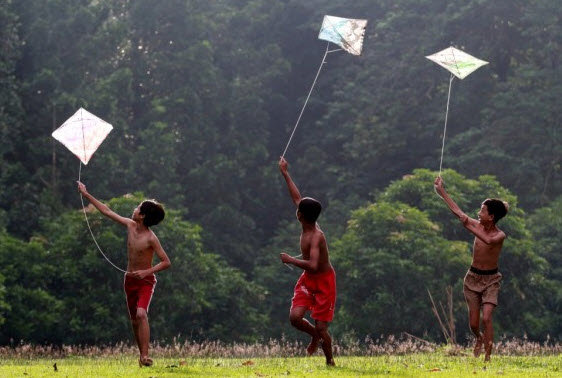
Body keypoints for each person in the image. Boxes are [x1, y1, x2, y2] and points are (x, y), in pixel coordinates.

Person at [77, 181, 171, 367]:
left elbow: (166, 262)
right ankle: (141, 356)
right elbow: (107, 211)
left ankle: (145, 356)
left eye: (137, 208)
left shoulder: (151, 238)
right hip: (129, 280)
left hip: (145, 281)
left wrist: (146, 272)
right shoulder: (129, 225)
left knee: (141, 314)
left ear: (142, 216)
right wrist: (86, 194)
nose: (134, 209)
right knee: (134, 321)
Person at [434, 176, 508, 361]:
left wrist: (468, 225)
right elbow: (459, 212)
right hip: (473, 279)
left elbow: (488, 240)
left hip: (491, 280)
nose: (478, 213)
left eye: (482, 211)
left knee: (487, 318)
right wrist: (442, 192)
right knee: (474, 324)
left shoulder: (500, 235)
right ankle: (479, 338)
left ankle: (488, 357)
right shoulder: (476, 224)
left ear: (491, 217)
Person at [278, 157, 336, 366]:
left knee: (322, 327)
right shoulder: (307, 222)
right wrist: (285, 173)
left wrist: (291, 260)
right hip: (308, 280)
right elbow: (297, 196)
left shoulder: (316, 236)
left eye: (299, 208)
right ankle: (314, 336)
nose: (296, 206)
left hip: (324, 282)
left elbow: (312, 264)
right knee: (295, 318)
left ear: (300, 215)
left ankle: (329, 360)